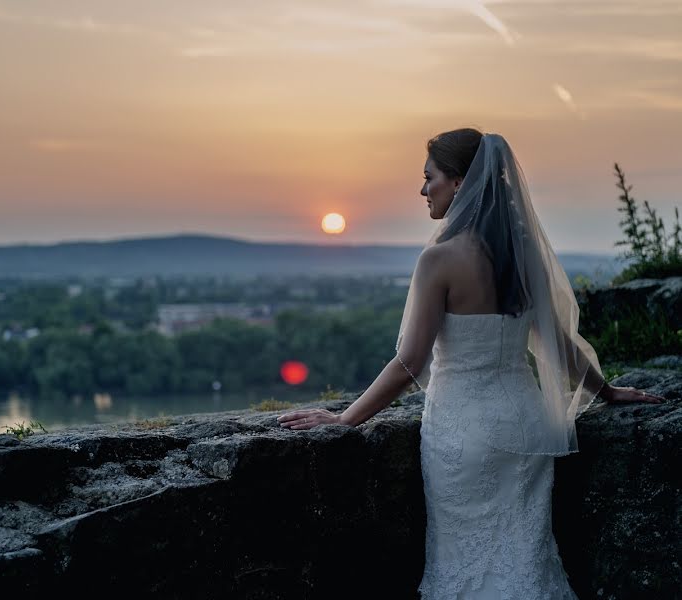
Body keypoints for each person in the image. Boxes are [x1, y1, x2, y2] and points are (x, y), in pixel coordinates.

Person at [277, 128, 666, 598]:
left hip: (463, 436)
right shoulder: (522, 252)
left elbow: (409, 362)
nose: (423, 191)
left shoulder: (438, 260)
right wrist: (606, 391)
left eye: (430, 178)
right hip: (525, 426)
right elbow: (558, 342)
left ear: (460, 183)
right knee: (527, 562)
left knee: (466, 566)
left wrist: (344, 418)